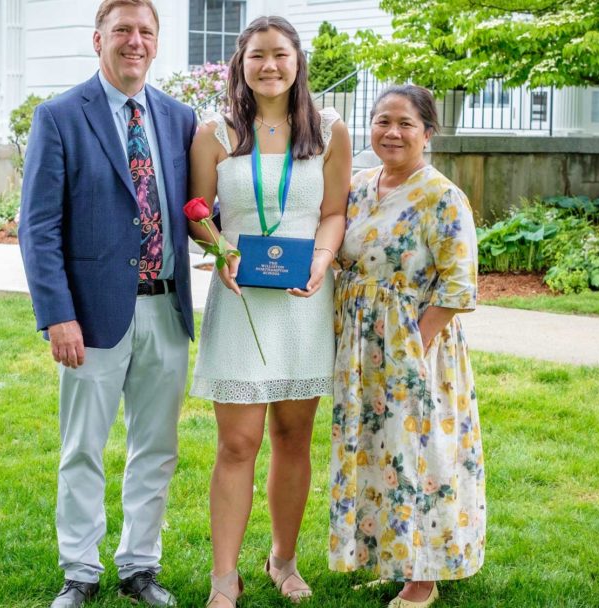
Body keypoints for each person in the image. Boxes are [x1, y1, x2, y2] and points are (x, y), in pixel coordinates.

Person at [17, 1, 196, 606]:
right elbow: (38, 227)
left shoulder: (179, 119)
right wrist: (58, 314)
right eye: (122, 30)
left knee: (157, 448)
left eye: (145, 31)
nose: (134, 41)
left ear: (156, 42)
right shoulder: (61, 116)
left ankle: (140, 566)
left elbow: (198, 208)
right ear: (98, 40)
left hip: (166, 310)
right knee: (83, 448)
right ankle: (80, 570)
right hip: (90, 316)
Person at [186, 15, 352, 608]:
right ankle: (223, 579)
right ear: (241, 63)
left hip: (303, 300)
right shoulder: (214, 132)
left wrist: (323, 259)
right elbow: (198, 212)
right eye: (257, 55)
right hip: (240, 302)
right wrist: (220, 250)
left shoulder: (330, 131)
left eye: (280, 54)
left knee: (292, 437)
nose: (270, 65)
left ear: (297, 60)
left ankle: (283, 560)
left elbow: (334, 212)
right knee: (237, 443)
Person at [328, 85, 485, 608]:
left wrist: (416, 343)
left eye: (405, 124)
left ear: (428, 133)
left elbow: (459, 286)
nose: (391, 132)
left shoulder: (442, 196)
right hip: (361, 348)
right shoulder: (357, 186)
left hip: (415, 345)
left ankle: (424, 575)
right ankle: (391, 557)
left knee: (419, 455)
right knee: (376, 451)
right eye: (382, 121)